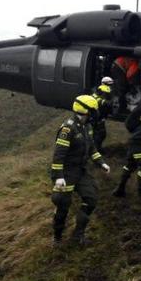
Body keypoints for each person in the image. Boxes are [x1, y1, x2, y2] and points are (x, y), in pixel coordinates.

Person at [50, 94, 110, 246]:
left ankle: (78, 235)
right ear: (84, 110)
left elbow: (92, 149)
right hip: (66, 173)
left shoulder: (87, 127)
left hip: (80, 171)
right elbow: (58, 155)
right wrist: (58, 176)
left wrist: (101, 163)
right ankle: (57, 237)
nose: (95, 113)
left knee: (91, 199)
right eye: (93, 110)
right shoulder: (68, 129)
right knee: (62, 205)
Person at [90, 77, 114, 152]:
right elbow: (105, 104)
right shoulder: (105, 91)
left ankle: (96, 149)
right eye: (109, 84)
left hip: (96, 117)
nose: (110, 86)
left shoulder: (99, 90)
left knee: (99, 134)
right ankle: (95, 151)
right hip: (96, 118)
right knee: (99, 134)